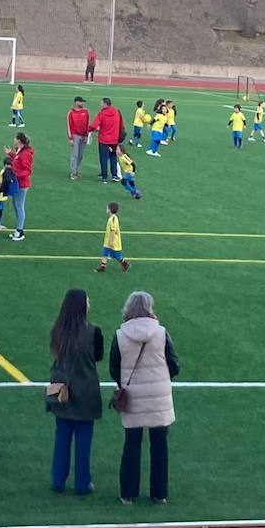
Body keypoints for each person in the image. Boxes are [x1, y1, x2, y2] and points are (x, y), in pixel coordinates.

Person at [110, 290, 178, 504]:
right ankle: (159, 494)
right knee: (159, 445)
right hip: (159, 394)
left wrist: (124, 385)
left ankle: (128, 493)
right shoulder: (161, 332)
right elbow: (174, 364)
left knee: (132, 443)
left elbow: (114, 367)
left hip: (132, 395)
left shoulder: (120, 335)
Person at [47, 288, 104, 496]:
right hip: (86, 389)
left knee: (62, 436)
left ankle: (58, 480)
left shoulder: (57, 331)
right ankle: (82, 483)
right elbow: (98, 356)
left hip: (60, 388)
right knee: (83, 439)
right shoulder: (94, 332)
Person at [5, 132, 33, 241]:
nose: (14, 140)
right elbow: (17, 159)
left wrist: (15, 174)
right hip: (17, 183)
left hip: (22, 183)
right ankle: (18, 229)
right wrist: (11, 154)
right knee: (15, 205)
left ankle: (20, 230)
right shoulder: (19, 151)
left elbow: (27, 170)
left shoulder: (25, 153)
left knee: (19, 206)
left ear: (19, 140)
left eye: (15, 138)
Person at [92, 97, 123, 182]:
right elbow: (121, 124)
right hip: (114, 139)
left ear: (105, 104)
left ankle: (104, 175)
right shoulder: (116, 112)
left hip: (104, 139)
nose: (100, 104)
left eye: (101, 103)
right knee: (113, 156)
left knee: (103, 157)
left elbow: (94, 125)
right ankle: (114, 175)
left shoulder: (102, 113)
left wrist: (88, 129)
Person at [99, 201, 130, 272]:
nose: (106, 208)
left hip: (113, 241)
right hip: (108, 240)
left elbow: (113, 231)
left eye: (107, 207)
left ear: (110, 209)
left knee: (116, 255)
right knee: (104, 253)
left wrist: (111, 241)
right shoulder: (111, 218)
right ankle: (102, 267)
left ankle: (125, 264)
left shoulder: (113, 219)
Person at [67, 96, 91, 180]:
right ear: (76, 102)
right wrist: (70, 138)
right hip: (75, 136)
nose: (82, 103)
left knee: (80, 155)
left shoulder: (86, 111)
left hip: (84, 136)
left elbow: (88, 123)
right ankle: (73, 172)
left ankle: (76, 170)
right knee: (75, 155)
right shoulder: (71, 112)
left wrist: (87, 135)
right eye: (81, 102)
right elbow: (69, 126)